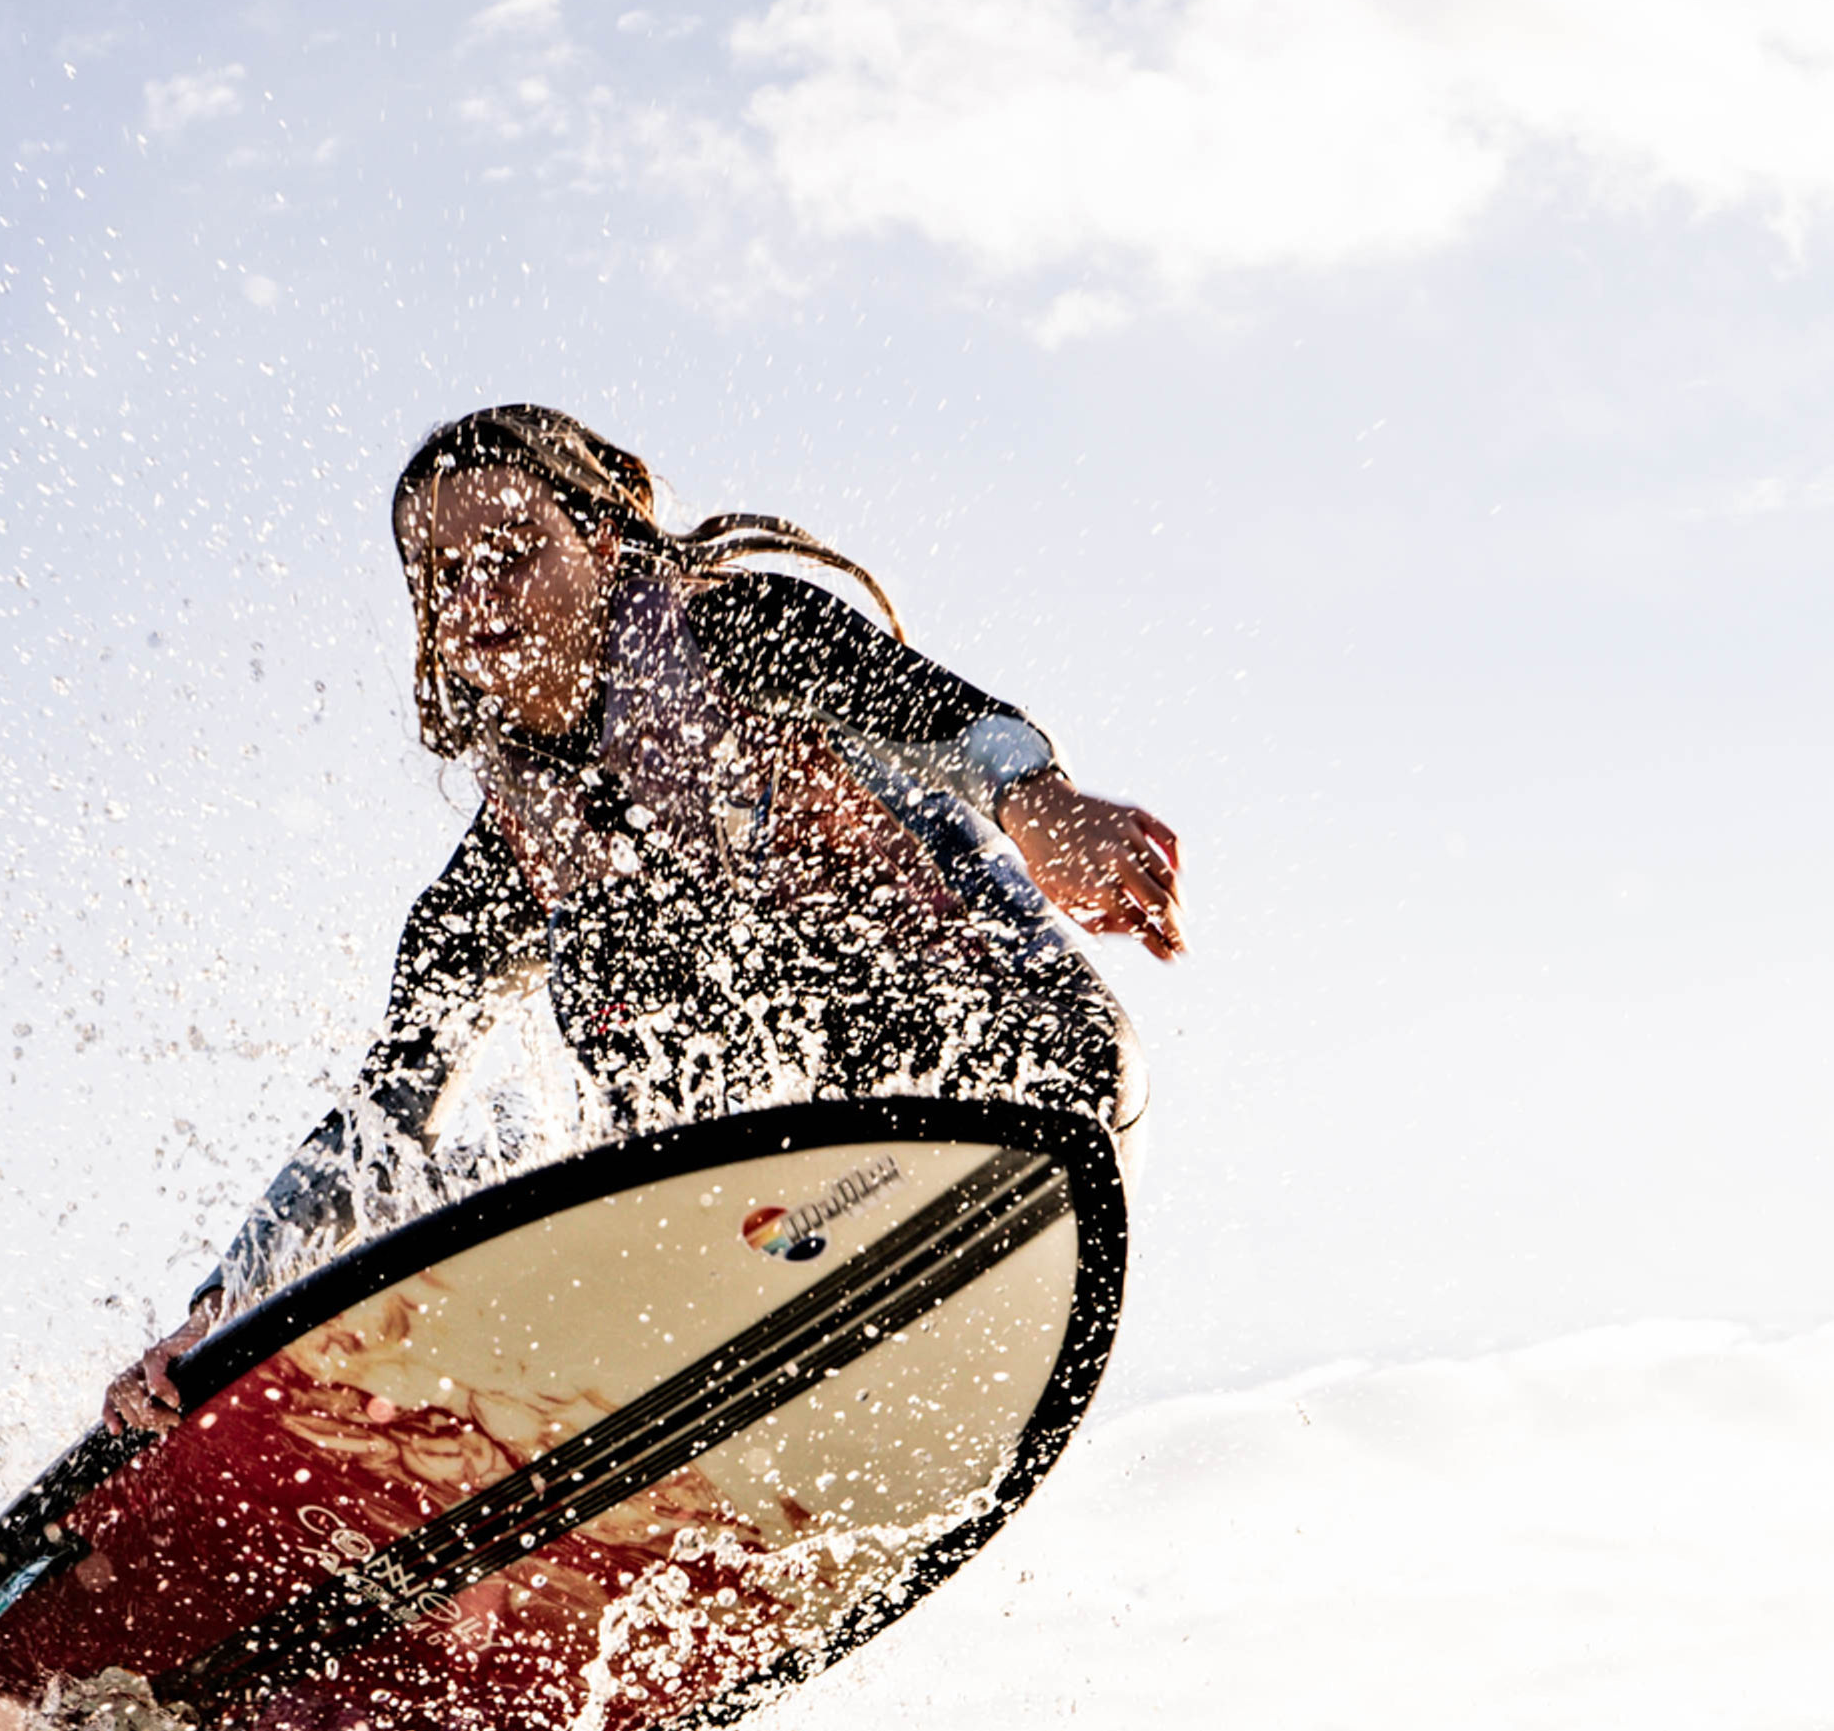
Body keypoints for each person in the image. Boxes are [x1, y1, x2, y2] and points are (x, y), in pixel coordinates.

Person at [104, 402, 1181, 1432]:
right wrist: (218, 1317)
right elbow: (386, 1112)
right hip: (775, 1209)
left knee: (650, 973)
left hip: (1019, 1087)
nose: (478, 594)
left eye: (511, 550)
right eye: (443, 576)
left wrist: (1043, 805)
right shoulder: (501, 866)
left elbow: (943, 718)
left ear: (606, 540)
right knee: (471, 1162)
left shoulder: (745, 634)